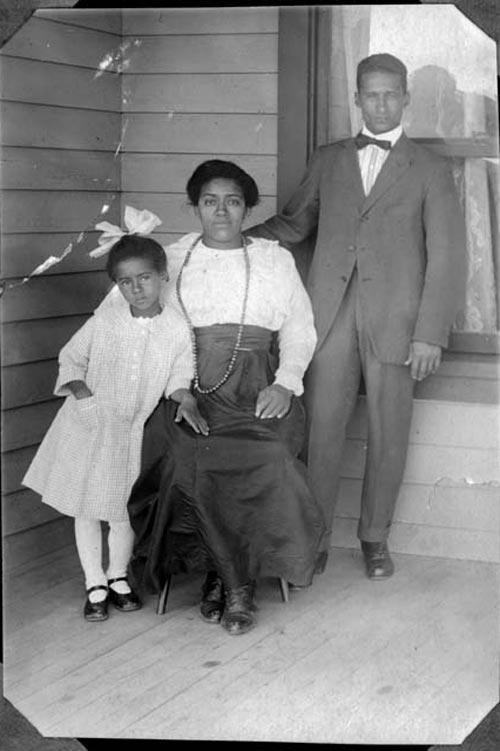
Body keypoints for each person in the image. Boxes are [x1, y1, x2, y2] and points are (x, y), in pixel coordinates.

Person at [247, 53, 466, 579]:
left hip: (398, 321)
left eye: (392, 94)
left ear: (407, 99)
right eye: (372, 94)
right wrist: (232, 239)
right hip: (330, 316)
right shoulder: (329, 159)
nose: (382, 103)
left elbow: (449, 256)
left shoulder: (432, 170)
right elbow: (295, 225)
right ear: (358, 99)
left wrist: (430, 334)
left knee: (390, 433)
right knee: (321, 431)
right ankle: (314, 538)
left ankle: (374, 538)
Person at [124, 160, 327, 635]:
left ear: (247, 208)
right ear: (195, 206)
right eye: (210, 201)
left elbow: (300, 328)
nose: (222, 211)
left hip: (259, 390)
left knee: (271, 456)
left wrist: (286, 382)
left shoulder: (275, 259)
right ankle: (230, 580)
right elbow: (123, 313)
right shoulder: (170, 259)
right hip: (190, 391)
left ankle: (229, 580)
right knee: (187, 458)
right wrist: (176, 391)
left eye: (233, 201)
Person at [23, 207, 207, 622]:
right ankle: (94, 582)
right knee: (87, 507)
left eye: (144, 278)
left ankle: (119, 576)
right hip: (88, 425)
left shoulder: (177, 329)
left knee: (122, 506)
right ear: (118, 287)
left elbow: (178, 377)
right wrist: (85, 397)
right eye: (126, 282)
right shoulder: (105, 322)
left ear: (163, 277)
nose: (137, 289)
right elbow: (70, 360)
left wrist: (188, 399)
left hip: (130, 432)